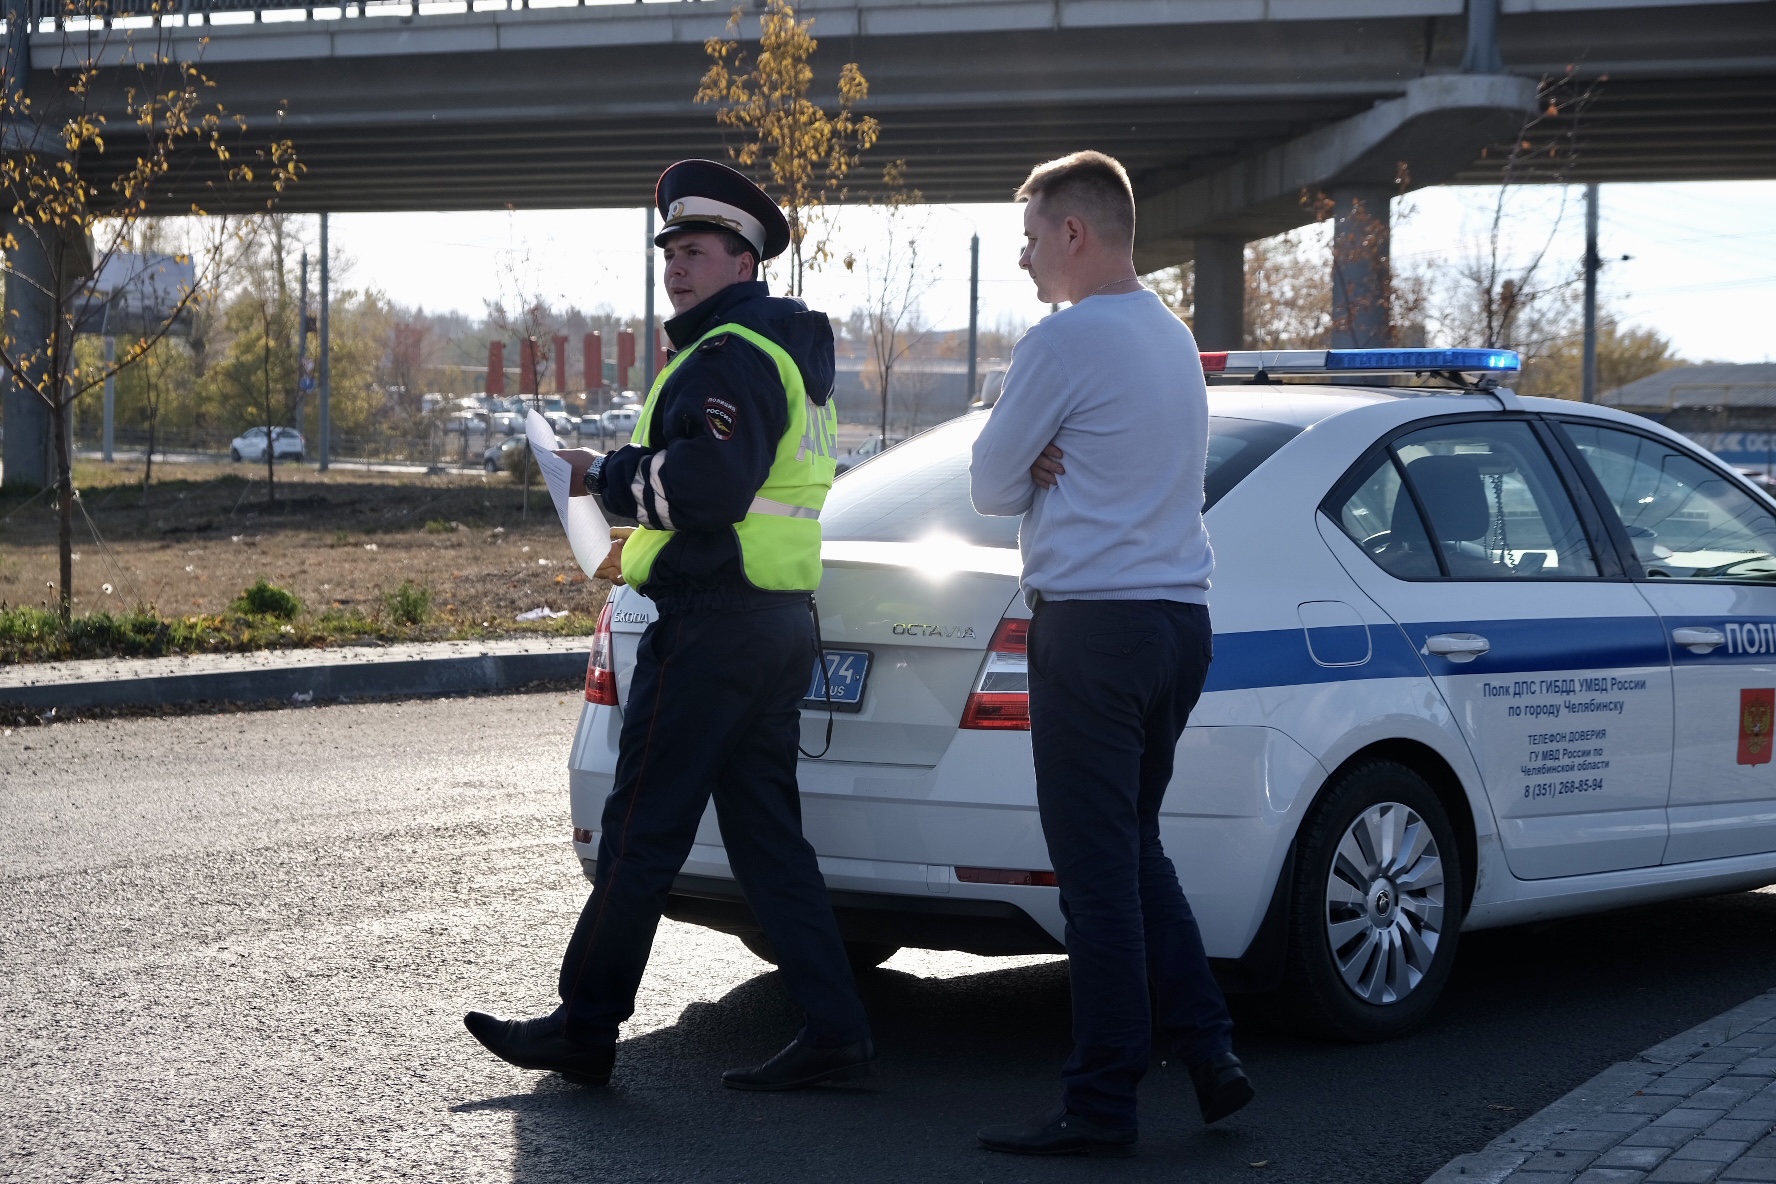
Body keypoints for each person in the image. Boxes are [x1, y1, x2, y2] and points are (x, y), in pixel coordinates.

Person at [464, 159, 873, 1092]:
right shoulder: (787, 359)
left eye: (696, 251)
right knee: (768, 840)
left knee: (642, 828)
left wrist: (596, 475)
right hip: (771, 625)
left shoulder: (728, 357)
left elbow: (707, 487)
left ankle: (585, 1026)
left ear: (744, 260)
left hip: (712, 626)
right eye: (671, 252)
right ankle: (839, 1027)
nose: (676, 268)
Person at [968, 150, 1253, 1157]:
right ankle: (1210, 1055)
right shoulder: (1170, 335)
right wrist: (1045, 454)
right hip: (1178, 624)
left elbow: (990, 482)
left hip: (1093, 629)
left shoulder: (1067, 338)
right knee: (1131, 848)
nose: (1026, 257)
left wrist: (1036, 456)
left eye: (1035, 236)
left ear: (1076, 233)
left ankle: (1100, 1103)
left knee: (1094, 874)